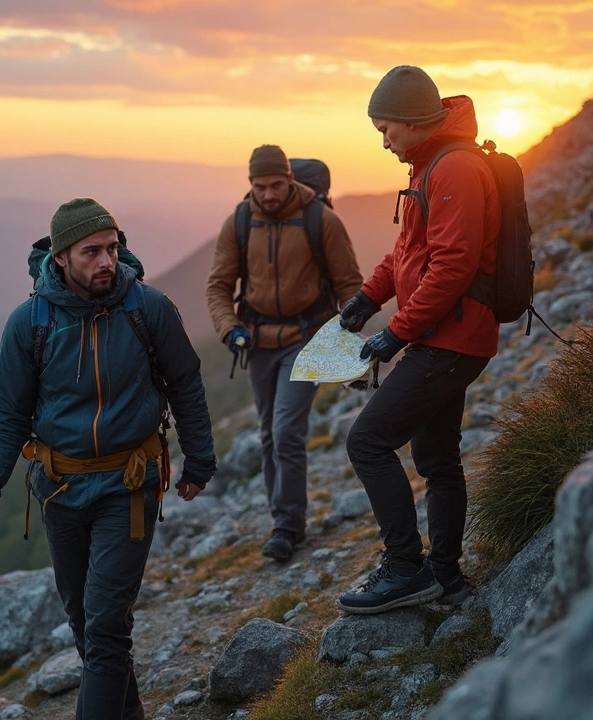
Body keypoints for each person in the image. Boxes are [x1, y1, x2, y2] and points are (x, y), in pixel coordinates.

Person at [0, 198, 216, 718]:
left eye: (113, 248)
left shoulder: (148, 308)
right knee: (86, 624)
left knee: (104, 626)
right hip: (60, 490)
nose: (106, 261)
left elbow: (186, 383)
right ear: (60, 258)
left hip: (130, 484)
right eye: (91, 251)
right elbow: (8, 413)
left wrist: (200, 460)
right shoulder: (30, 323)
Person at [335, 66, 501, 614]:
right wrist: (368, 297)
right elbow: (406, 253)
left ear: (412, 121)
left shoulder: (453, 169)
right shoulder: (430, 165)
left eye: (387, 129)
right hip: (447, 335)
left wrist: (395, 334)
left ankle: (405, 568)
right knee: (437, 458)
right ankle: (445, 578)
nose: (384, 141)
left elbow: (452, 266)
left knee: (368, 441)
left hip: (450, 339)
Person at [205, 145, 363, 562]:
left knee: (285, 431)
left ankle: (287, 527)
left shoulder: (321, 220)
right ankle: (284, 519)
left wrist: (343, 341)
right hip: (257, 343)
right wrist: (229, 328)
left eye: (277, 185)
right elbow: (219, 286)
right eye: (261, 187)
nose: (269, 194)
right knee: (268, 433)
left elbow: (350, 284)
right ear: (250, 185)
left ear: (290, 178)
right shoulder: (239, 222)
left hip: (305, 340)